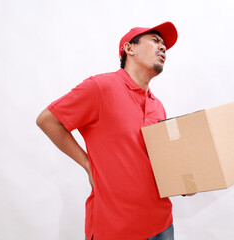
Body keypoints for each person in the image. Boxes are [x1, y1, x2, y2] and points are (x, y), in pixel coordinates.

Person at [36, 21, 178, 240]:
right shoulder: (101, 88)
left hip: (162, 224)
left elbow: (155, 161)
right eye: (155, 41)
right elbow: (48, 120)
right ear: (129, 49)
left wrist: (182, 179)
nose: (163, 48)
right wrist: (87, 164)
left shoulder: (157, 105)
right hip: (116, 229)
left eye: (164, 46)